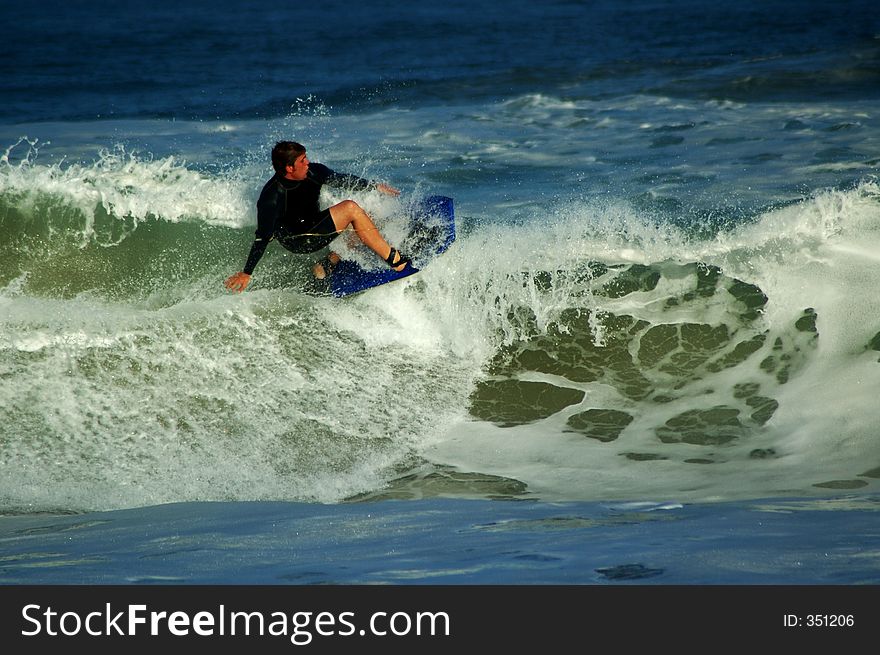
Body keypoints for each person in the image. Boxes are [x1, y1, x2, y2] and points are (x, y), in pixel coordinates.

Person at [224, 140, 409, 293]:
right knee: (351, 209)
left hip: (313, 225)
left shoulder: (313, 172)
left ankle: (326, 266)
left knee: (364, 216)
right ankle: (396, 261)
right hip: (297, 239)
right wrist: (247, 272)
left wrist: (372, 186)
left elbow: (341, 179)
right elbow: (262, 237)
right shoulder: (270, 197)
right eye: (302, 161)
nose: (307, 163)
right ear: (289, 168)